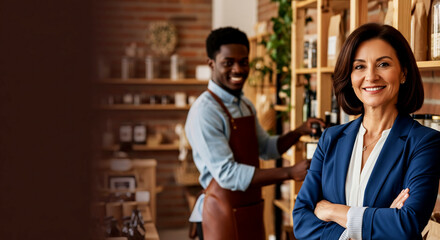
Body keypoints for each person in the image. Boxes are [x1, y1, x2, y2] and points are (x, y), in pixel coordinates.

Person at [292, 23, 440, 240]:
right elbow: (301, 220)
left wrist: (333, 211)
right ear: (350, 76)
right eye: (359, 66)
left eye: (383, 64)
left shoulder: (425, 143)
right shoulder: (330, 139)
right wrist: (381, 221)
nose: (371, 76)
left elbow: (407, 224)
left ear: (403, 73)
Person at [185, 27, 325, 240]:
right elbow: (227, 174)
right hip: (220, 213)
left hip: (249, 207)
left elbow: (267, 149)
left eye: (244, 62)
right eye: (228, 62)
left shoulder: (245, 105)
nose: (238, 69)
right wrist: (289, 173)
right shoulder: (205, 111)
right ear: (211, 64)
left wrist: (299, 131)